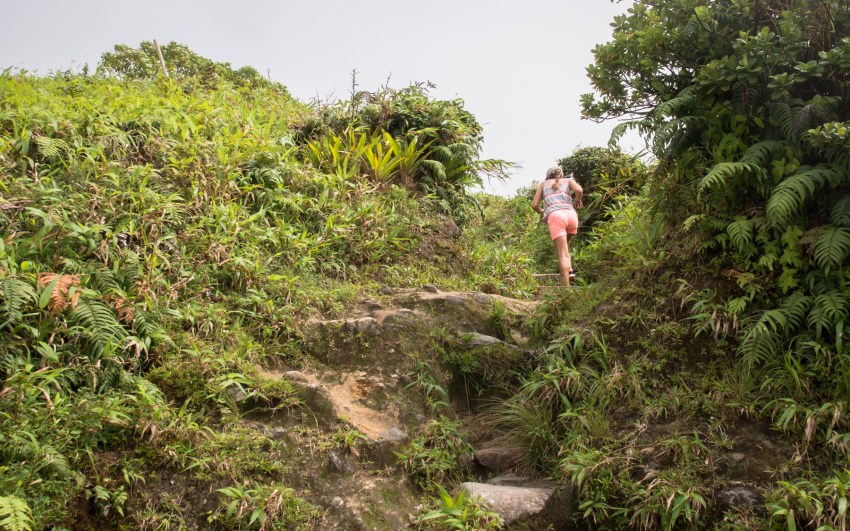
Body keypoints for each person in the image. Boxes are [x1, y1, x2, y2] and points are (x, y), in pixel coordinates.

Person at [531, 167, 583, 286]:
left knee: (561, 254)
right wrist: (577, 201)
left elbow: (534, 205)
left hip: (556, 217)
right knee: (564, 248)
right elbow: (579, 190)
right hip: (571, 216)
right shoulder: (568, 181)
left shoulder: (543, 184)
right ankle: (570, 271)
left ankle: (566, 288)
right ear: (561, 174)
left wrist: (543, 211)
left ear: (548, 175)